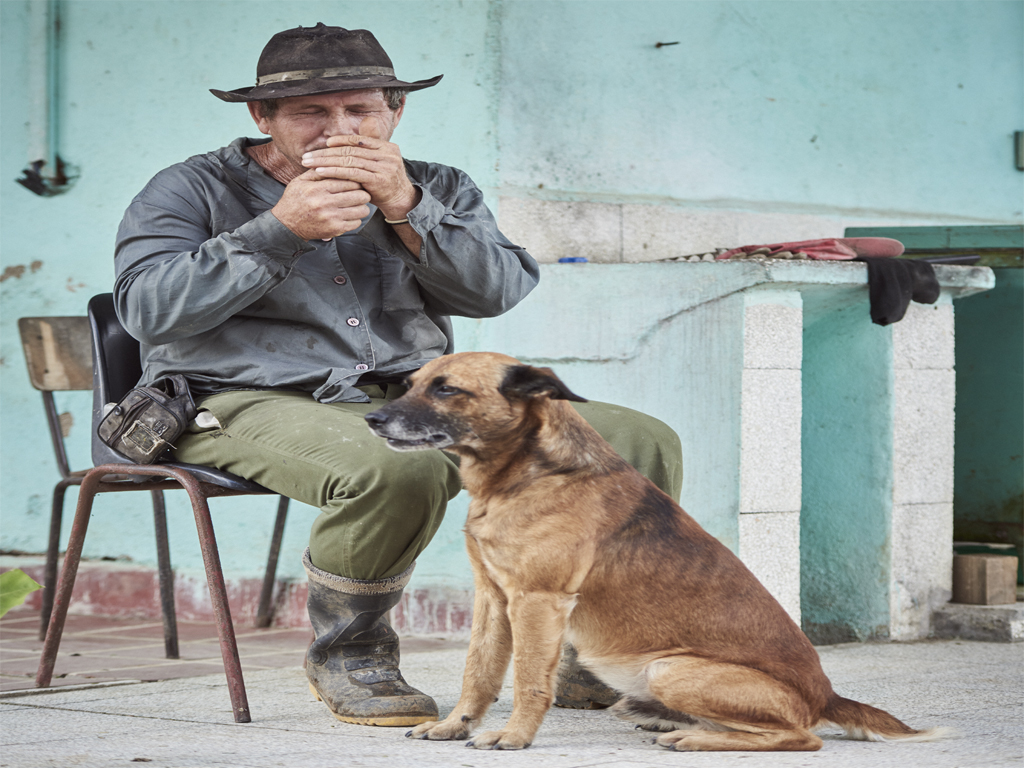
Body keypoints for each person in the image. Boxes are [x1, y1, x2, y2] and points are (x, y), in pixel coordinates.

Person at [113, 23, 682, 727]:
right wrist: (279, 229)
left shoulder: (437, 187)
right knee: (397, 465)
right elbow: (146, 309)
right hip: (236, 398)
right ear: (262, 117)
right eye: (311, 113)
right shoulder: (190, 187)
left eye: (359, 110)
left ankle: (587, 652)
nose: (339, 129)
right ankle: (350, 654)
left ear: (394, 111)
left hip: (410, 392)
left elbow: (497, 291)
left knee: (635, 439)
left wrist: (410, 211)